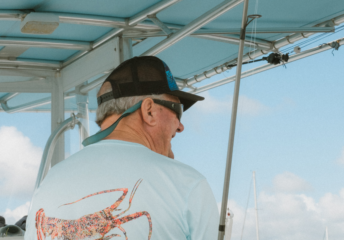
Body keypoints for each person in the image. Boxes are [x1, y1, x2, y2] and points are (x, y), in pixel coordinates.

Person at [25, 56, 219, 240]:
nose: (180, 126)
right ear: (149, 110)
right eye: (178, 110)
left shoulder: (49, 183)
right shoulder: (187, 184)